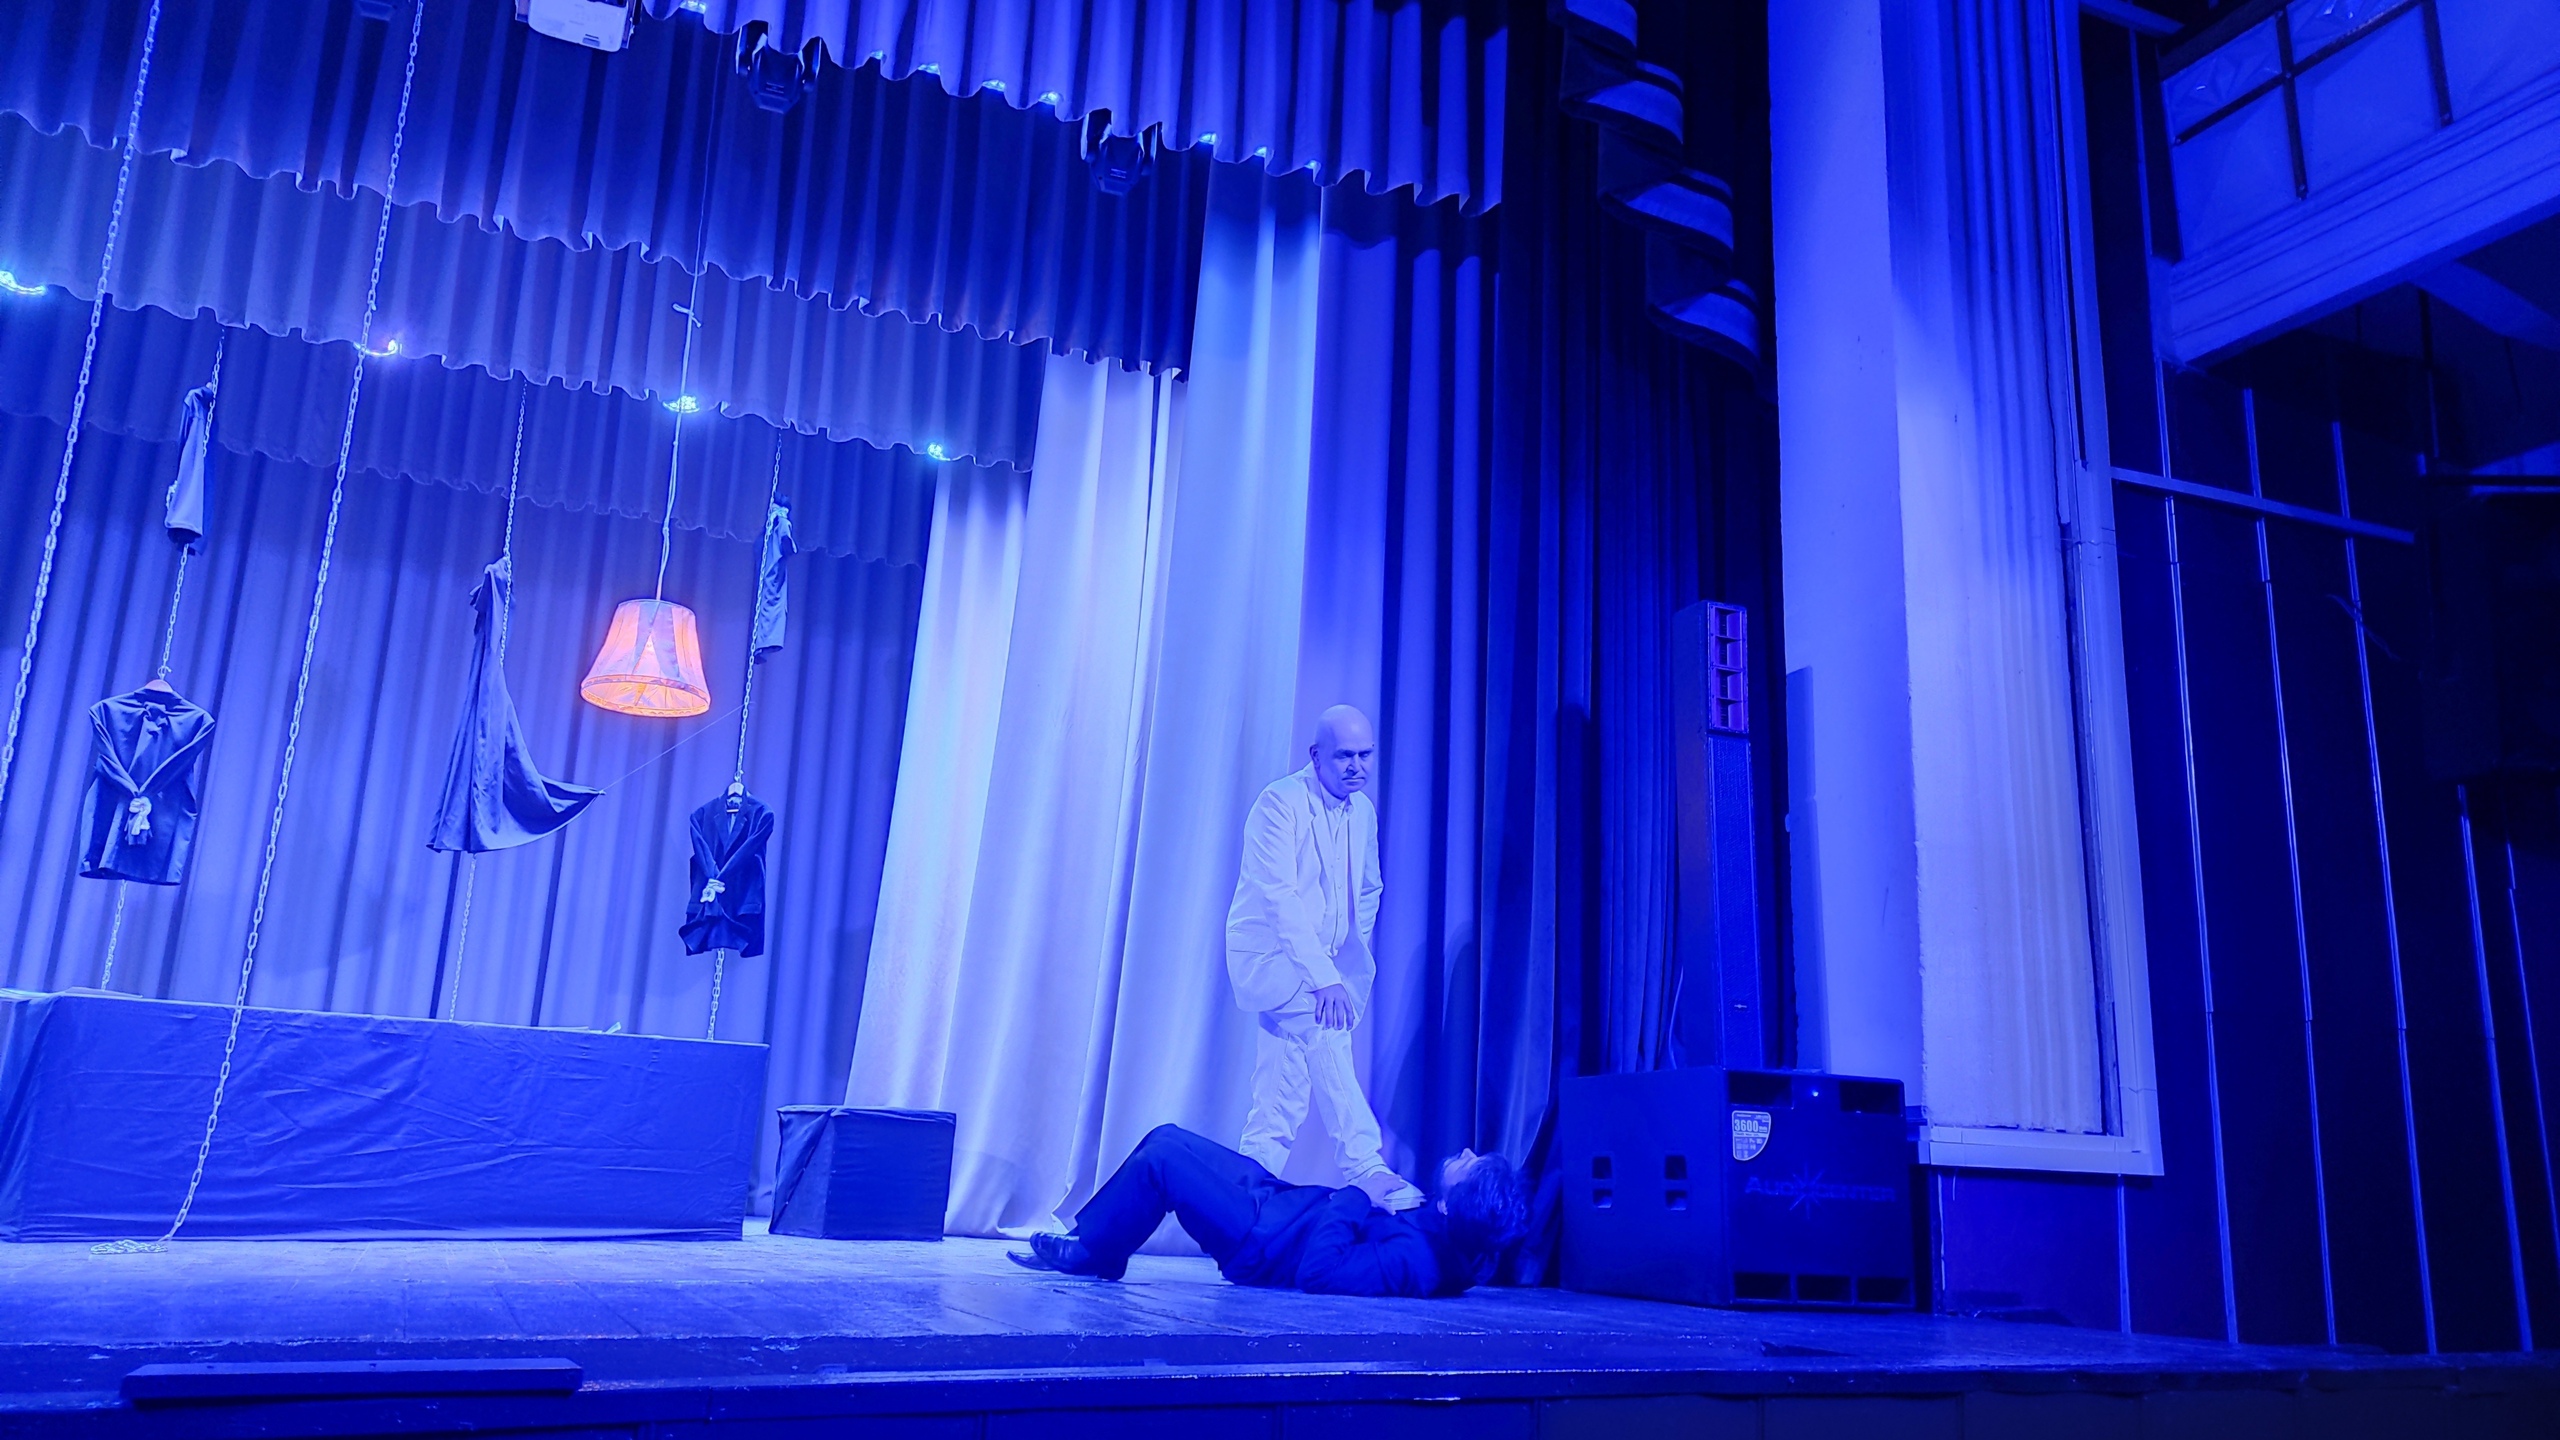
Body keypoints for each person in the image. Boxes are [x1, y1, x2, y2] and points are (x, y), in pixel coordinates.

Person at [1226, 705, 1421, 1208]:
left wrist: (1343, 965)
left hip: (1322, 968)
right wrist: (1323, 979)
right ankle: (1367, 1166)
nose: (1357, 766)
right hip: (1270, 959)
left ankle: (1241, 1199)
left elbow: (1369, 890)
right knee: (1326, 1028)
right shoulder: (1279, 803)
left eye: (1365, 755)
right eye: (1344, 756)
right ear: (1316, 756)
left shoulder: (1363, 812)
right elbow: (1280, 900)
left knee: (1278, 1099)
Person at [1008, 1124, 1528, 1297]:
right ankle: (1102, 1247)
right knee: (1165, 1137)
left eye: (1470, 1165)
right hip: (1278, 1205)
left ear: (1449, 1204)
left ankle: (1092, 1253)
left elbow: (1318, 1273)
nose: (1465, 1152)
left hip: (1261, 1242)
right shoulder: (1449, 1236)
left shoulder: (1414, 1261)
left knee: (1161, 1163)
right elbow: (1480, 1250)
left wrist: (1359, 1193)